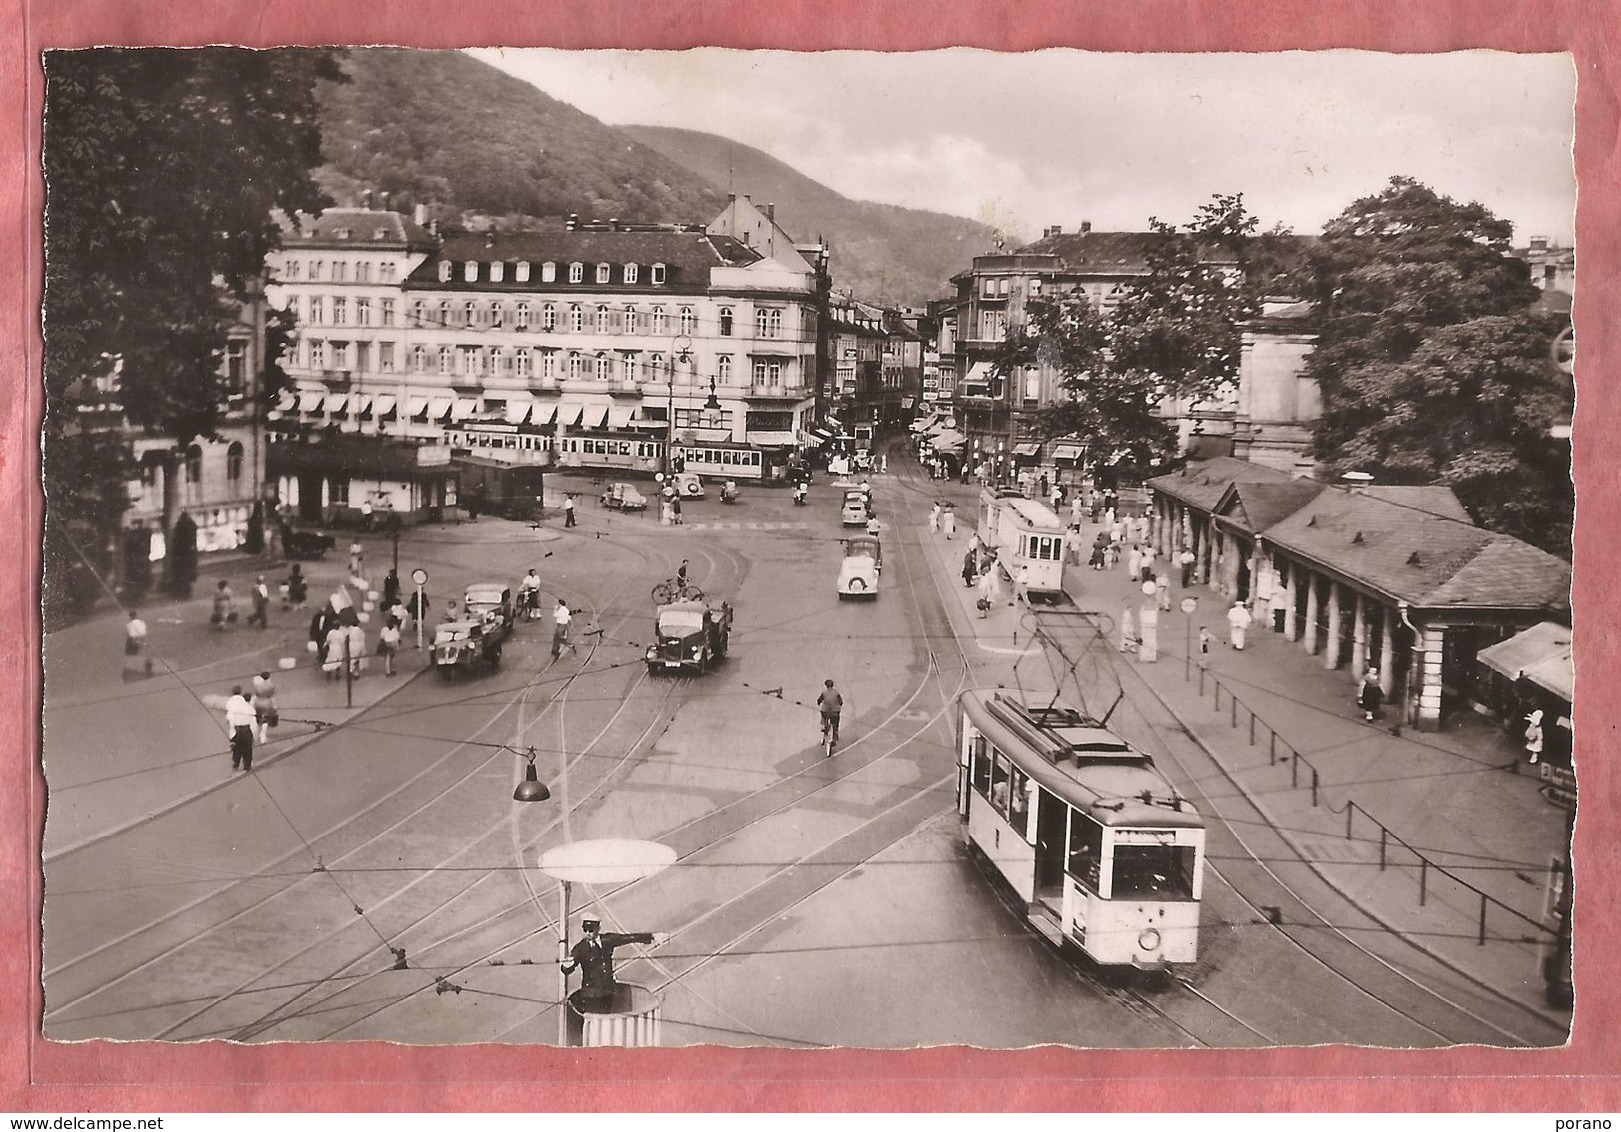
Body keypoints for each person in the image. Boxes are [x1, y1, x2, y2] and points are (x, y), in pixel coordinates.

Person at [561, 917, 670, 1014]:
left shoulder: (607, 940)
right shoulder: (580, 948)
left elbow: (628, 938)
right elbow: (568, 968)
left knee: (607, 1017)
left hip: (607, 992)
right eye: (585, 930)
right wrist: (567, 966)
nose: (588, 933)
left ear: (598, 929)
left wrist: (652, 937)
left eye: (591, 930)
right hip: (591, 995)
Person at [225, 685, 256, 772]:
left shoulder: (230, 703)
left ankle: (236, 762)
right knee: (247, 748)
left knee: (237, 748)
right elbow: (253, 721)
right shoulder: (248, 707)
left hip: (237, 729)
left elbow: (230, 717)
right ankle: (247, 765)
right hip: (246, 729)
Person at [816, 679, 844, 753]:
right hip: (835, 712)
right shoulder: (836, 693)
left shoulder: (824, 693)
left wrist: (819, 703)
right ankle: (836, 733)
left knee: (823, 715)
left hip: (825, 712)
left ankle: (823, 726)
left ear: (826, 686)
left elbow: (819, 700)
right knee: (835, 722)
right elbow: (841, 702)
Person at [251, 670, 278, 744]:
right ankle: (263, 736)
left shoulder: (257, 686)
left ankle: (254, 735)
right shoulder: (271, 685)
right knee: (265, 720)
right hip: (267, 703)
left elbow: (255, 695)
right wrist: (275, 706)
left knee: (257, 719)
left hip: (258, 703)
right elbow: (272, 696)